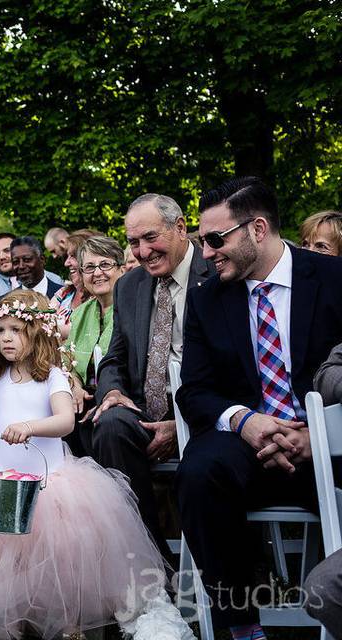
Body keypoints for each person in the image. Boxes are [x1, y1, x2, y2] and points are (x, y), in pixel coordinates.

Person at [0, 289, 179, 639]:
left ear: (37, 333)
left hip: (50, 484)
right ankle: (13, 615)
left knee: (61, 556)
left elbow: (66, 421)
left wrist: (30, 427)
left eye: (17, 330)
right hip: (5, 481)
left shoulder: (51, 376)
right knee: (3, 554)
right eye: (1, 330)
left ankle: (69, 616)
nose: (7, 338)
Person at [175, 177, 342, 640]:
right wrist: (246, 421)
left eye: (214, 239)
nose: (205, 253)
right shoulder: (208, 298)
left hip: (328, 444)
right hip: (245, 446)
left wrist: (319, 436)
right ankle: (241, 626)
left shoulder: (332, 279)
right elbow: (194, 391)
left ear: (258, 228)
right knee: (198, 472)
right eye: (201, 241)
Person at [91, 194, 213, 560]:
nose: (142, 252)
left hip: (204, 409)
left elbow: (237, 368)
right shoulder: (129, 286)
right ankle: (151, 558)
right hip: (144, 409)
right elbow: (112, 357)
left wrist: (183, 423)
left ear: (180, 228)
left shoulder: (216, 273)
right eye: (133, 242)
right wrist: (111, 391)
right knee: (109, 425)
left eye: (150, 238)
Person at [66, 235, 125, 423]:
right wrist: (74, 386)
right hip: (82, 396)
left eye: (105, 265)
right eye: (90, 267)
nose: (97, 273)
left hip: (119, 397)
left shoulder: (133, 308)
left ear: (121, 269)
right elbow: (68, 359)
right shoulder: (80, 313)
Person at [51, 229, 99, 335]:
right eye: (67, 256)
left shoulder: (101, 298)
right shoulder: (65, 292)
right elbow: (43, 321)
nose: (66, 263)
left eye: (72, 256)